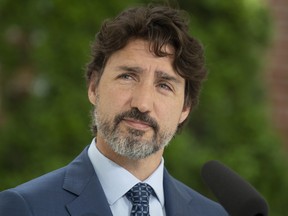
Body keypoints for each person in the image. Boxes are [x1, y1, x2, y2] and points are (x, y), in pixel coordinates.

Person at [0, 4, 228, 216]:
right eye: (127, 76)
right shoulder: (25, 207)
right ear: (93, 87)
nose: (142, 103)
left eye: (164, 85)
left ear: (185, 109)